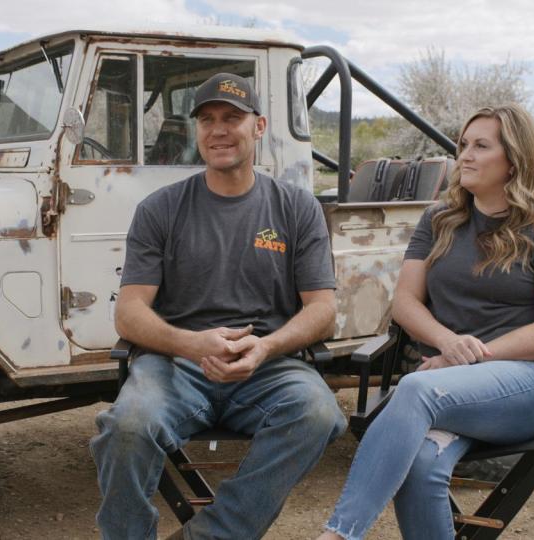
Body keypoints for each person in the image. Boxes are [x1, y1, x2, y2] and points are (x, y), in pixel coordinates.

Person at [91, 73, 347, 540]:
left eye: (232, 118)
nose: (218, 130)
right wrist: (190, 344)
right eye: (207, 120)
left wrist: (265, 348)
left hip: (267, 367)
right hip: (177, 367)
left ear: (260, 127)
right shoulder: (160, 210)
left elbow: (322, 310)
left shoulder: (297, 208)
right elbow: (129, 313)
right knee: (126, 426)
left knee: (317, 414)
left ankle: (212, 535)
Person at [317, 104, 534, 540]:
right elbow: (404, 302)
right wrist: (446, 341)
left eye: (481, 146)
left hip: (531, 384)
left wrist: (467, 358)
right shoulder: (440, 219)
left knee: (416, 388)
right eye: (463, 145)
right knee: (420, 464)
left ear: (515, 159)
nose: (465, 156)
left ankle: (338, 535)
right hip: (450, 387)